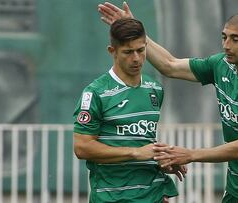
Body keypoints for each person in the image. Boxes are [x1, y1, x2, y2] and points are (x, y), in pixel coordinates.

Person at [98, 2, 238, 203]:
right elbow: (170, 66)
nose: (226, 45)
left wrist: (190, 154)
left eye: (235, 39)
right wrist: (139, 35)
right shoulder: (221, 65)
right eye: (224, 37)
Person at [73, 18, 186, 203]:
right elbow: (82, 147)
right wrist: (135, 153)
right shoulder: (95, 93)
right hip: (111, 196)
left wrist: (162, 159)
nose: (136, 58)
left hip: (153, 194)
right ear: (113, 52)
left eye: (141, 50)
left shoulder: (154, 89)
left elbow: (144, 143)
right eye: (128, 52)